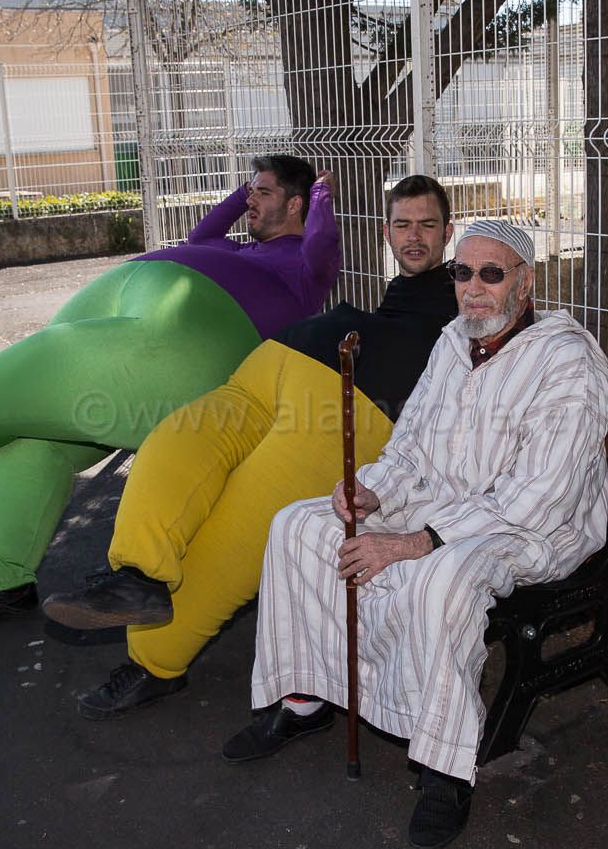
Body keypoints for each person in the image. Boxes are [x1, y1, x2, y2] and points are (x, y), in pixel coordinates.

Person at [221, 219, 608, 849]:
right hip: (444, 505)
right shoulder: (452, 341)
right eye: (463, 272)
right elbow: (411, 446)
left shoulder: (566, 361)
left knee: (441, 577)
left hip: (529, 528)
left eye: (492, 273)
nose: (474, 287)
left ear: (525, 282)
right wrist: (374, 491)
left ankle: (444, 771)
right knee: (300, 526)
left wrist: (417, 541)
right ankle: (305, 698)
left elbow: (536, 495)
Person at [40, 175, 461, 718]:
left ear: (448, 232)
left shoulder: (468, 286)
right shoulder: (403, 287)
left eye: (427, 225)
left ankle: (153, 663)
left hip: (347, 407)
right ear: (387, 232)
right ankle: (135, 575)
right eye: (403, 225)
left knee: (233, 534)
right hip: (272, 369)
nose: (415, 236)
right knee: (172, 444)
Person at [0, 155, 340, 637]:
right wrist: (243, 193)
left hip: (192, 339)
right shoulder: (234, 246)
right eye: (251, 192)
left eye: (264, 193)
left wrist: (321, 194)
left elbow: (323, 243)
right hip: (136, 294)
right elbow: (200, 235)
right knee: (31, 443)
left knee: (67, 367)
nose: (251, 202)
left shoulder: (304, 268)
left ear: (295, 205)